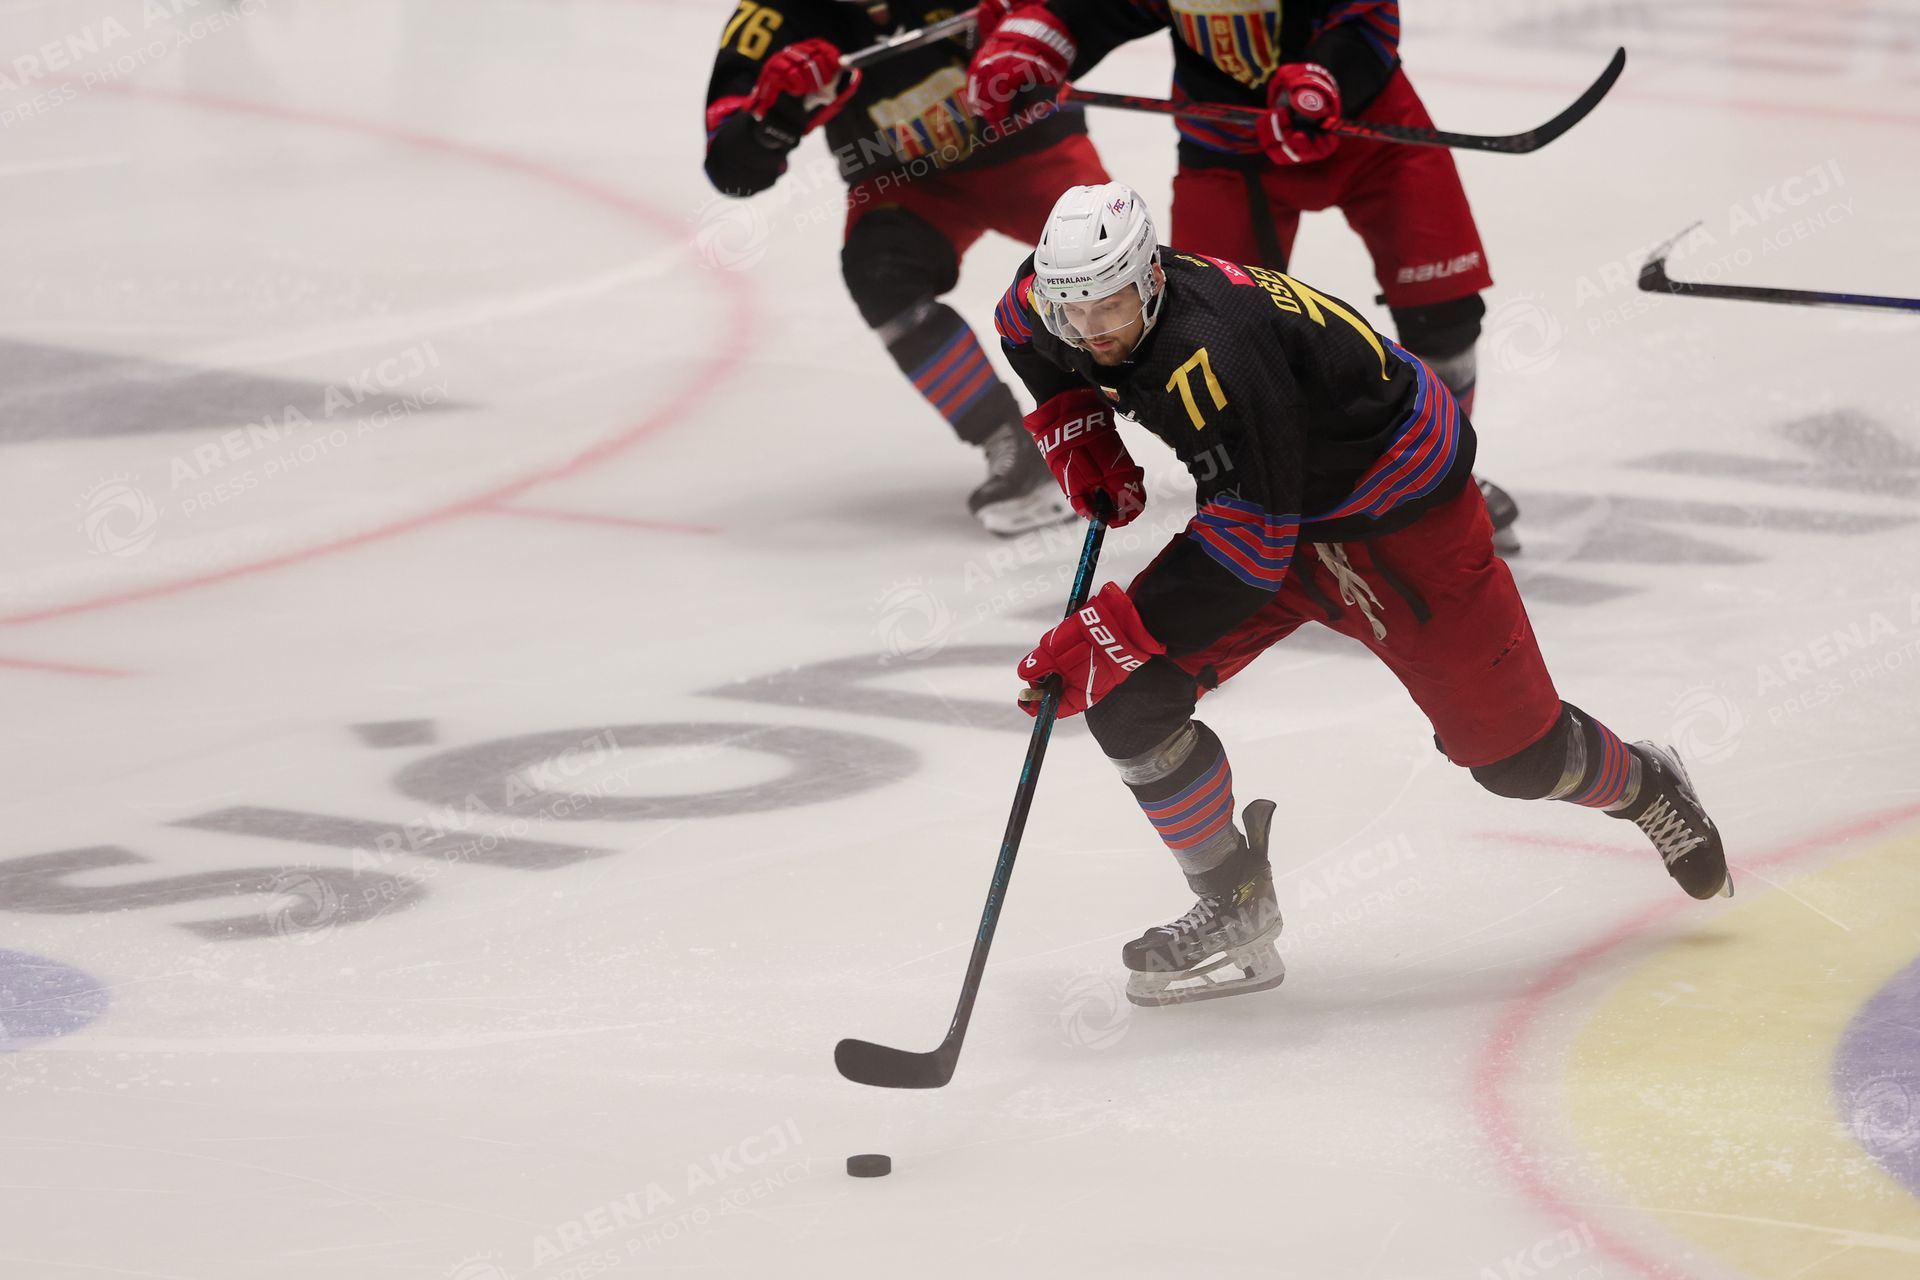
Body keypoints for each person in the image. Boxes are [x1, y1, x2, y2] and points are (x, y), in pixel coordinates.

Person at [996, 183, 1729, 1007]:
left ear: (1152, 277)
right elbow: (1019, 322)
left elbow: (1248, 552)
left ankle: (1645, 783)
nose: (1091, 330)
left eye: (1110, 306)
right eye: (1073, 310)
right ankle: (1235, 901)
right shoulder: (1061, 301)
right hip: (1276, 504)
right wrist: (1073, 420)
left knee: (1517, 761)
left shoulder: (1216, 352)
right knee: (1129, 703)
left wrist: (1117, 629)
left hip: (1398, 520)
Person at [968, 0, 1523, 550]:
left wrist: (1328, 77)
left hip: (1366, 123)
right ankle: (1281, 490)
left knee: (1444, 310)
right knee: (1199, 335)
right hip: (1226, 145)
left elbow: (1364, 11)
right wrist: (1030, 43)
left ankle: (1442, 476)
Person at [704, 0, 1111, 534]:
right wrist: (774, 116)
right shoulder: (774, 17)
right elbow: (732, 171)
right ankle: (1007, 439)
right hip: (906, 179)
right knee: (878, 271)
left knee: (1111, 260)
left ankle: (1195, 409)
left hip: (1026, 146)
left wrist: (1036, 25)